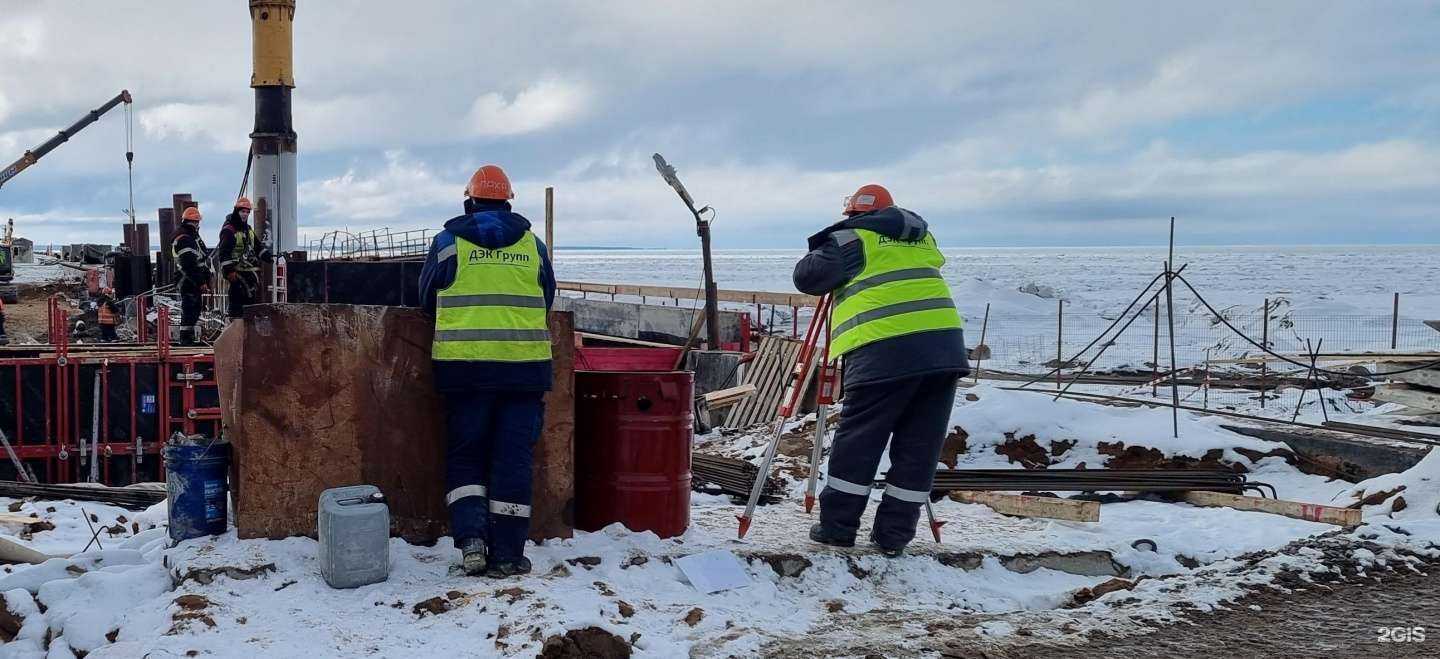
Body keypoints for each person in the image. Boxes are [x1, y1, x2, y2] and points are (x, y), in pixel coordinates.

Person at [792, 184, 969, 557]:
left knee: (860, 441)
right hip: (943, 351)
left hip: (884, 350)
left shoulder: (851, 239)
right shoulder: (922, 238)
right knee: (919, 447)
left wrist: (831, 237)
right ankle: (894, 535)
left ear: (854, 214)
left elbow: (807, 278)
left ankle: (837, 527)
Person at [419, 164, 556, 577]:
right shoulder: (534, 247)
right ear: (508, 202)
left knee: (467, 457)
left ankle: (472, 542)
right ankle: (509, 554)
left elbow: (426, 299)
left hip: (465, 371)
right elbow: (547, 298)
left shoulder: (447, 244)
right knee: (513, 461)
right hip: (524, 372)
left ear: (470, 201)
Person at [215, 197, 271, 321]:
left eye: (247, 212)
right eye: (242, 211)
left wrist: (268, 256)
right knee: (237, 301)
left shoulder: (248, 229)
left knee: (249, 301)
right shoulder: (229, 230)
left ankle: (247, 325)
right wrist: (230, 271)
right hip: (236, 273)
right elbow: (224, 253)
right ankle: (235, 324)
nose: (245, 214)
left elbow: (257, 246)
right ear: (237, 211)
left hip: (248, 272)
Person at [171, 206, 212, 345]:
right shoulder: (185, 238)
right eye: (196, 222)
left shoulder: (190, 236)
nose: (197, 225)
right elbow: (189, 264)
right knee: (190, 308)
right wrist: (201, 282)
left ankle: (187, 338)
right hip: (188, 279)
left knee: (194, 308)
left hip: (191, 278)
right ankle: (186, 339)